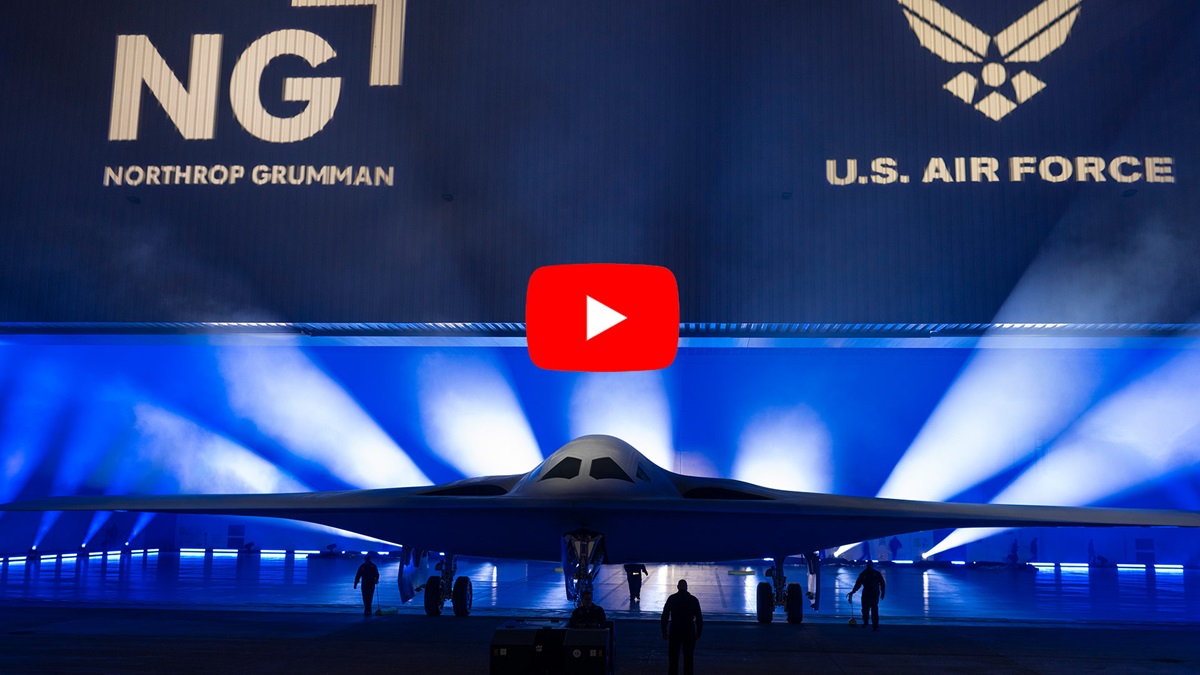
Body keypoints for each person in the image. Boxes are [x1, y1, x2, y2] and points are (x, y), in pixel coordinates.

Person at [661, 579, 702, 675]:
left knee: (673, 658)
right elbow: (699, 618)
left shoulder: (672, 598)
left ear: (678, 587)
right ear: (687, 587)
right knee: (688, 658)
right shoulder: (693, 600)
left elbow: (665, 615)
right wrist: (698, 632)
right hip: (689, 631)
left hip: (675, 630)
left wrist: (664, 631)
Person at [847, 560, 886, 631]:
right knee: (866, 609)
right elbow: (858, 584)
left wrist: (883, 592)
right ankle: (867, 623)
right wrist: (853, 591)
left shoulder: (874, 574)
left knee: (873, 609)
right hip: (868, 594)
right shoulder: (866, 574)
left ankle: (874, 625)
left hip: (873, 594)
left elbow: (882, 583)